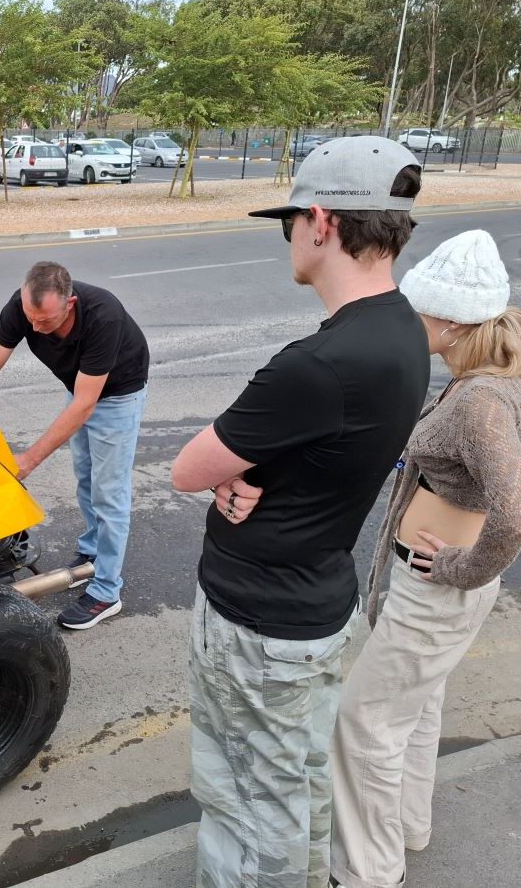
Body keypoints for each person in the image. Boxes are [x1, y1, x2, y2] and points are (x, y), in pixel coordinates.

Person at [170, 136, 430, 888]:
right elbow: (320, 454)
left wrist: (227, 475)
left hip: (261, 628)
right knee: (298, 783)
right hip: (316, 604)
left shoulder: (317, 365)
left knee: (252, 809)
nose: (286, 236)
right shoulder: (403, 329)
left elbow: (187, 468)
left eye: (288, 221)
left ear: (321, 222)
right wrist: (242, 476)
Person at [329, 231, 520, 888]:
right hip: (436, 590)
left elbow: (514, 512)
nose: (409, 321)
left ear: (452, 321)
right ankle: (408, 827)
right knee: (413, 708)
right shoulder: (492, 377)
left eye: (418, 311)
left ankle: (367, 871)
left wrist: (461, 569)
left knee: (364, 723)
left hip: (436, 589)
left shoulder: (481, 400)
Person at [0, 261, 149, 630]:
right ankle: (94, 553)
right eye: (30, 318)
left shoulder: (103, 317)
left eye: (45, 321)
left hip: (118, 394)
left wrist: (28, 460)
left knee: (109, 492)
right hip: (79, 387)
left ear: (70, 304)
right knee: (85, 477)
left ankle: (107, 591)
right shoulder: (22, 308)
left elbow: (85, 404)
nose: (35, 328)